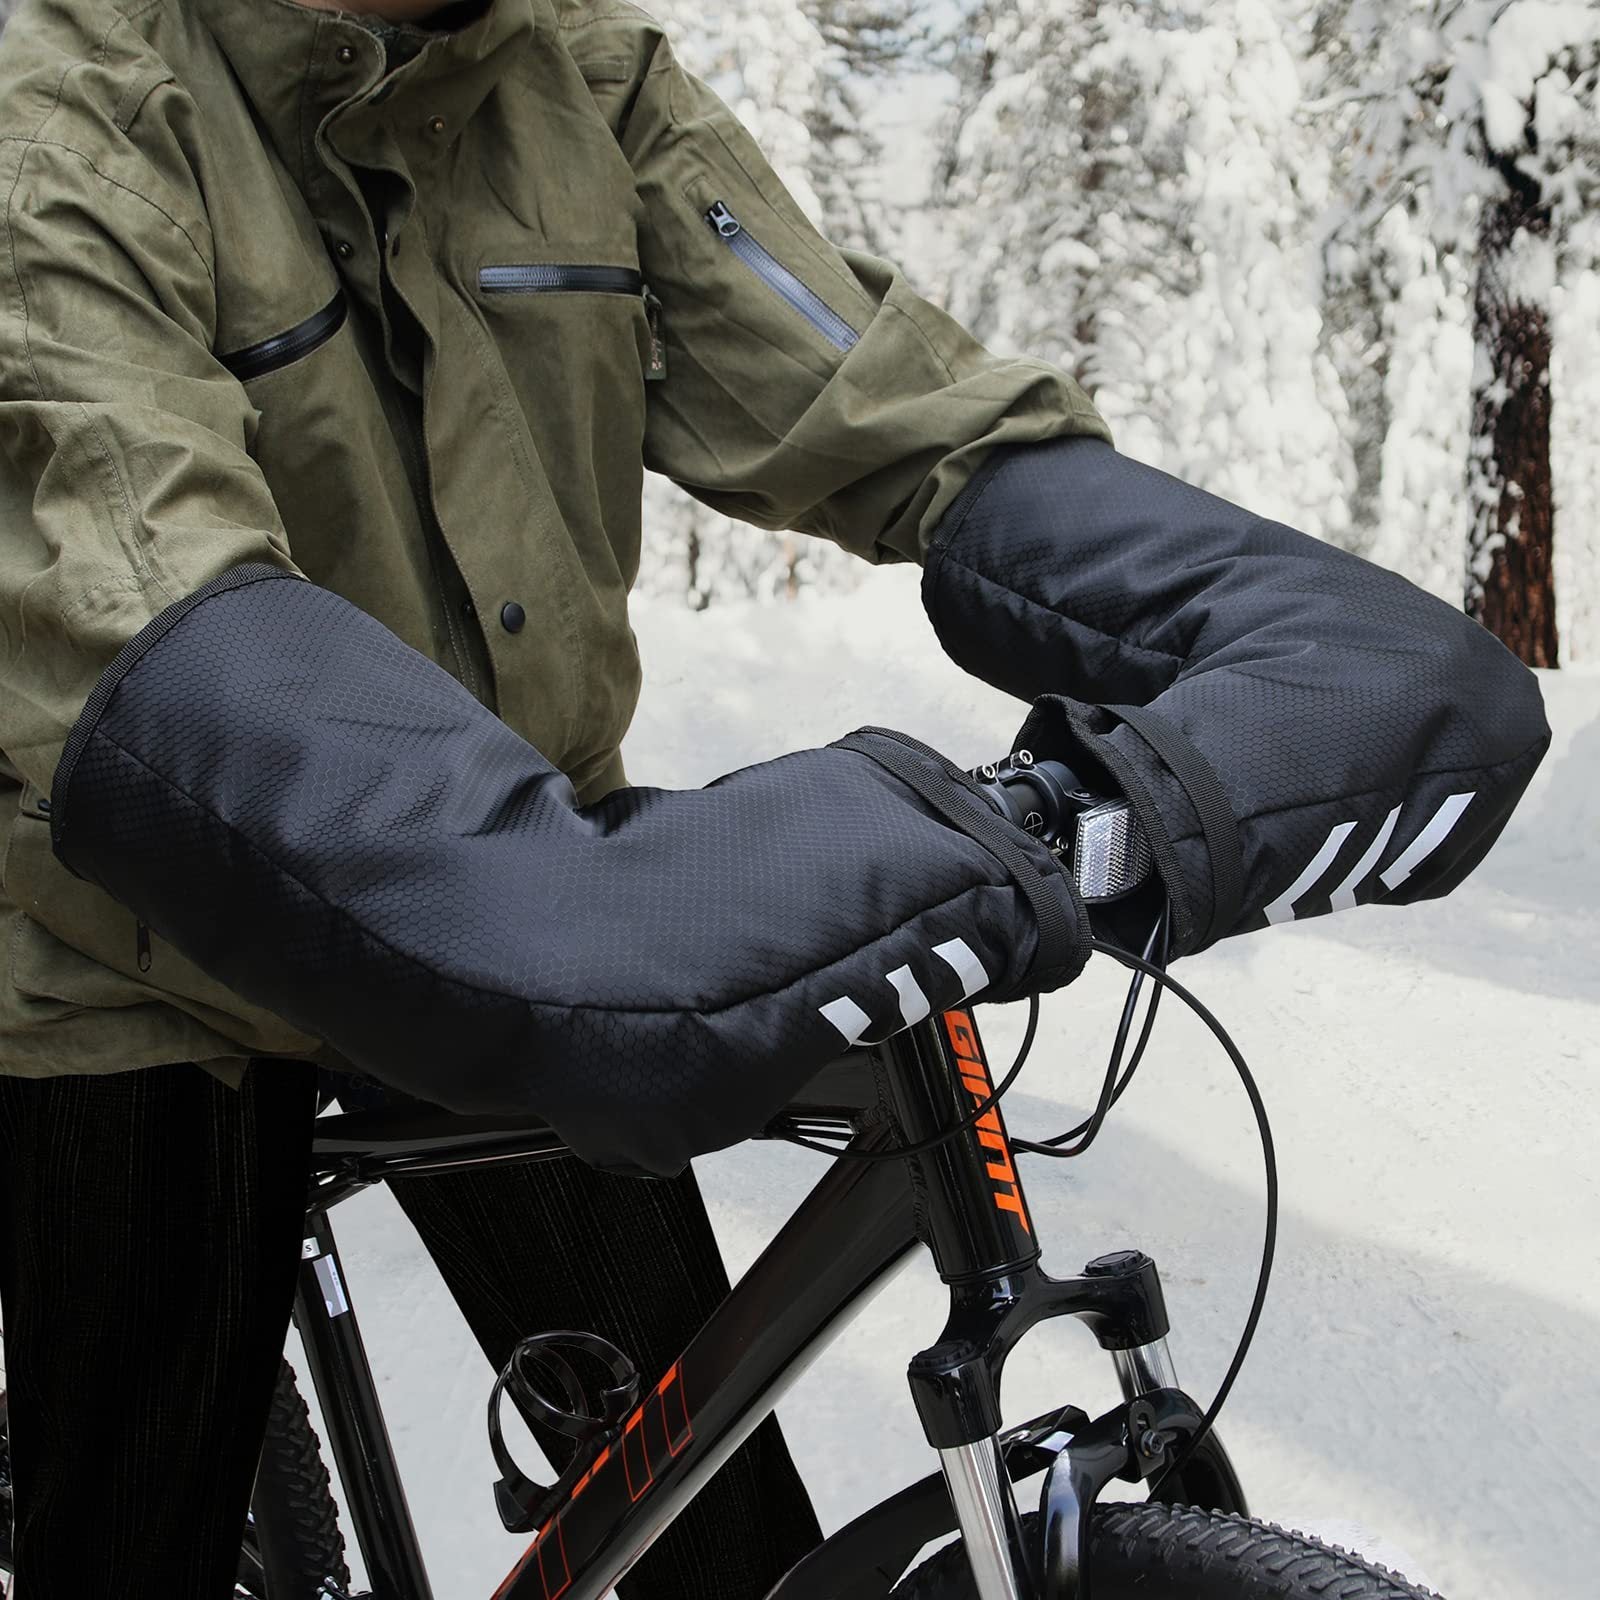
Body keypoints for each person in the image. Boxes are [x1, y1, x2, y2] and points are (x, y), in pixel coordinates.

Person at [0, 0, 1550, 1595]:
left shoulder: (571, 81)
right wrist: (598, 903)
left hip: (519, 853)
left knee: (704, 1540)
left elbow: (878, 403)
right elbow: (138, 590)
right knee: (130, 1543)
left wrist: (1301, 644)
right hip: (135, 933)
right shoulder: (63, 96)